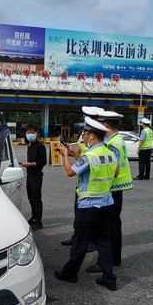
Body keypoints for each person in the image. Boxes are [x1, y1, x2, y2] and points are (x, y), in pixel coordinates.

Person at [54, 117, 118, 291]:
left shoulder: (90, 156)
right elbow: (116, 171)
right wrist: (76, 155)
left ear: (92, 136)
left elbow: (69, 172)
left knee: (80, 243)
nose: (84, 136)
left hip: (88, 207)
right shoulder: (110, 153)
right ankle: (109, 277)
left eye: (86, 133)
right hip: (106, 204)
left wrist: (66, 155)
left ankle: (70, 273)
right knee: (104, 243)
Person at [87, 114, 133, 272]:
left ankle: (106, 262)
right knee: (113, 225)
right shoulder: (116, 140)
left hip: (112, 189)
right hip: (116, 188)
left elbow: (111, 167)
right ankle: (114, 259)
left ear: (106, 126)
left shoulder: (113, 143)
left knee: (107, 227)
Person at [20, 126, 47, 231]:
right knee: (30, 197)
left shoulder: (41, 146)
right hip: (29, 175)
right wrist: (27, 164)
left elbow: (42, 162)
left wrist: (29, 164)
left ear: (36, 134)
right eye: (28, 132)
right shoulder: (29, 145)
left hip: (36, 175)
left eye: (32, 132)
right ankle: (33, 217)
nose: (29, 134)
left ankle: (38, 221)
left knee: (36, 198)